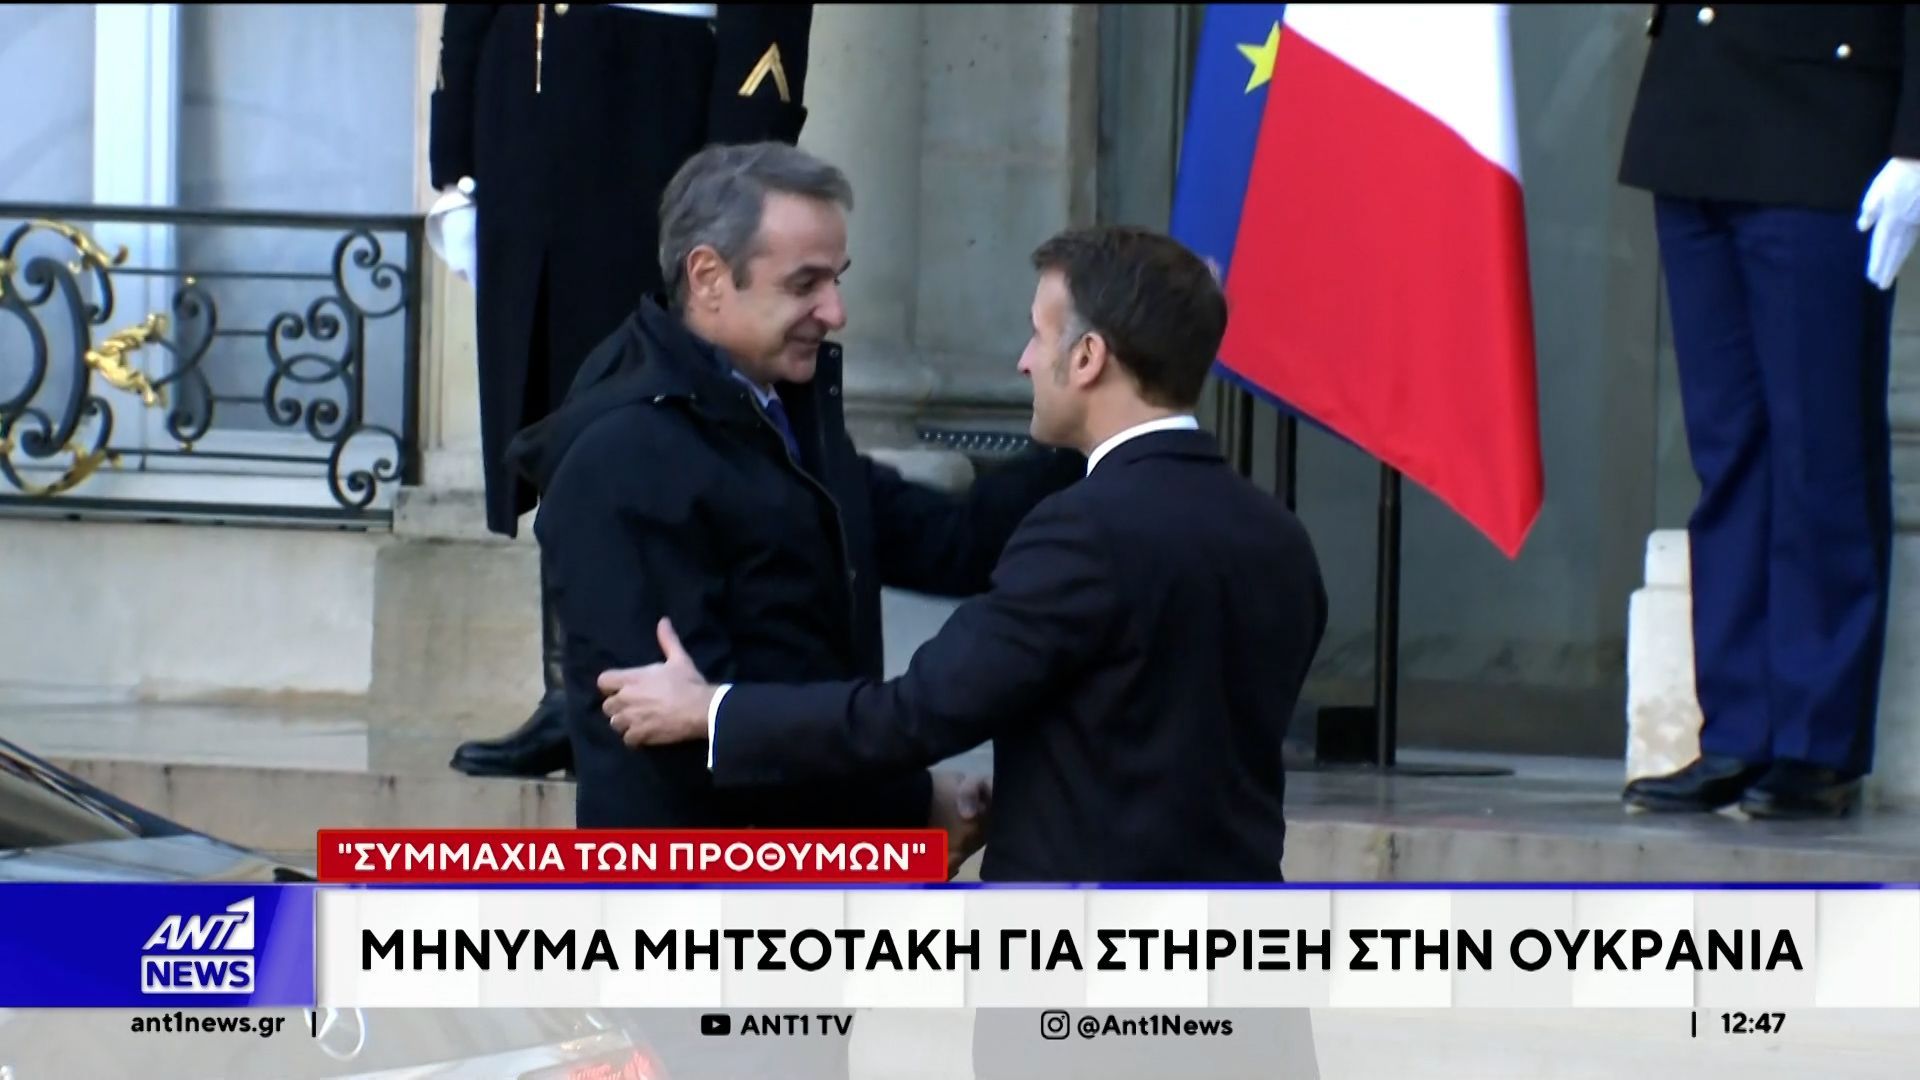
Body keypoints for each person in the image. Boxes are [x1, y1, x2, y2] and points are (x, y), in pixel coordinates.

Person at [598, 224, 1330, 884]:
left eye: (1037, 336)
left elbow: (912, 715)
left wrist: (711, 710)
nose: (1024, 361)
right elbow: (1159, 740)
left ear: (1087, 358)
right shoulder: (1279, 535)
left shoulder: (1080, 532)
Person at [501, 140, 1084, 856]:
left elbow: (956, 542)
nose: (835, 311)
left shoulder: (778, 417)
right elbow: (682, 738)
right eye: (805, 284)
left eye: (836, 279)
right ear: (708, 277)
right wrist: (911, 805)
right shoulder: (626, 457)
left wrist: (1088, 421)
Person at [428, 3, 815, 780]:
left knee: (646, 403)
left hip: (651, 87)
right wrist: (458, 139)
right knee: (560, 411)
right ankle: (571, 692)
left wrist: (741, 166)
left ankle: (657, 689)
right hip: (527, 79)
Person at [1618, 5, 1920, 819]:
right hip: (1698, 111)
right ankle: (1738, 728)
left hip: (1824, 121)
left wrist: (1915, 144)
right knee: (1729, 451)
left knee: (1822, 448)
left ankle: (1818, 741)